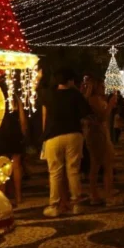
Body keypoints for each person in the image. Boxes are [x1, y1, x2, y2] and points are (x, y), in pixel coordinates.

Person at [41, 68, 92, 217]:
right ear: (70, 80)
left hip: (53, 135)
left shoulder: (48, 94)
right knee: (73, 170)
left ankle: (54, 206)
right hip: (73, 134)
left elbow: (44, 114)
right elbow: (86, 113)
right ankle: (76, 204)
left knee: (55, 172)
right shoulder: (75, 94)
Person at [0, 75, 28, 206]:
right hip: (15, 132)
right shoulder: (15, 98)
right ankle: (18, 196)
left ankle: (3, 195)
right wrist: (23, 132)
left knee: (1, 165)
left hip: (1, 133)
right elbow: (22, 119)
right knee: (16, 164)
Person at [85, 77, 117, 206]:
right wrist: (110, 105)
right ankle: (108, 196)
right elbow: (103, 116)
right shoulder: (93, 100)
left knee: (96, 165)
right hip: (98, 134)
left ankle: (95, 195)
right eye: (102, 86)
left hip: (101, 132)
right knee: (106, 165)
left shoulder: (97, 99)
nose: (104, 88)